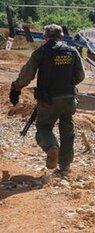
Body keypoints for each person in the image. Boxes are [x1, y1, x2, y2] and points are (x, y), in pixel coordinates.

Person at [9, 24, 85, 174]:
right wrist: (68, 85)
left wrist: (16, 88)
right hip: (69, 99)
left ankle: (52, 147)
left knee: (44, 128)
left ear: (45, 37)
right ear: (62, 37)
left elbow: (27, 74)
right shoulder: (72, 51)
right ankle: (64, 166)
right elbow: (81, 76)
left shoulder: (40, 52)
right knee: (67, 129)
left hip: (48, 99)